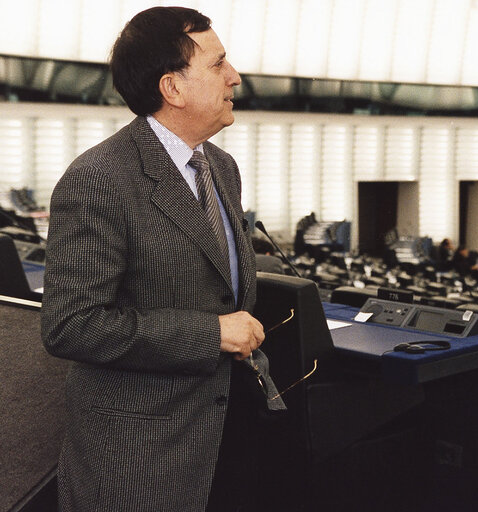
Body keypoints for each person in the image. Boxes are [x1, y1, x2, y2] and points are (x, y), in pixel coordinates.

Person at [40, 7, 283, 511]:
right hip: (137, 457)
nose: (235, 76)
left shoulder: (221, 166)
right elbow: (73, 325)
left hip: (220, 434)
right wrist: (212, 332)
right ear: (172, 88)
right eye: (219, 65)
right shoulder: (100, 179)